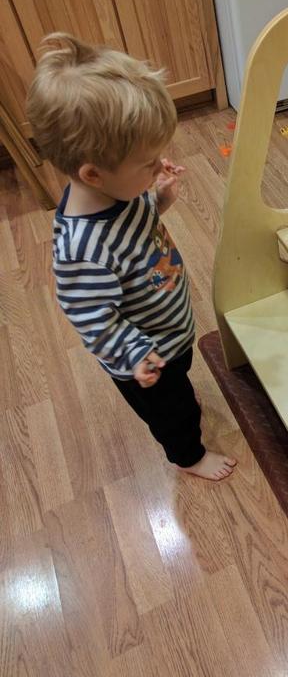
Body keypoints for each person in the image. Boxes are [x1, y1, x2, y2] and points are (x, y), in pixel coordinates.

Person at [27, 32, 237, 481]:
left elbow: (138, 227)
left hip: (169, 335)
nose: (159, 164)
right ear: (93, 173)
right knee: (172, 414)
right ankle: (189, 456)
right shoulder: (82, 251)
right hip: (146, 361)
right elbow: (91, 318)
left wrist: (157, 199)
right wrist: (135, 354)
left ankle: (180, 399)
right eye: (147, 163)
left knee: (181, 388)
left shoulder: (117, 193)